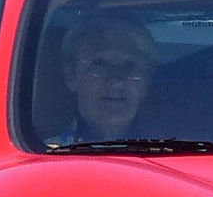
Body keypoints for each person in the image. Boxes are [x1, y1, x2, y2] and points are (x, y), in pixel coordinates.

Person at [47, 12, 156, 145]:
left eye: (130, 65)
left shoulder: (175, 155)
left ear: (146, 82)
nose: (116, 81)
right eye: (100, 64)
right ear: (72, 75)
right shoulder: (44, 157)